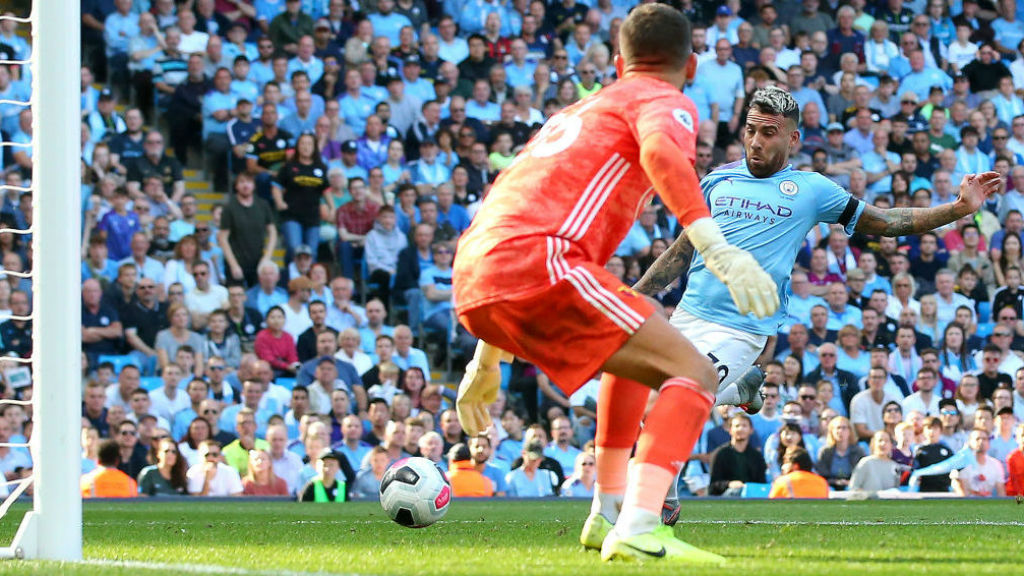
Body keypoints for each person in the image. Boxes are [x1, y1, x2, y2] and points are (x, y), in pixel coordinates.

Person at [457, 10, 779, 563]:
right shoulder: (661, 99)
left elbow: (516, 222)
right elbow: (659, 153)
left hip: (478, 269)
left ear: (616, 63)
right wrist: (717, 248)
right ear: (692, 66)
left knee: (632, 339)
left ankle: (606, 510)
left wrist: (484, 362)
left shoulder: (580, 112)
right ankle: (639, 521)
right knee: (694, 372)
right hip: (542, 262)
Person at [708, 413, 767, 496]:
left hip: (751, 497)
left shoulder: (757, 456)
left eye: (744, 426)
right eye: (737, 426)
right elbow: (713, 486)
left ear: (751, 430)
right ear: (730, 430)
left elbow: (761, 484)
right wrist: (729, 484)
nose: (740, 429)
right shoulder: (720, 454)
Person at [952, 428, 1006, 497]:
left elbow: (1001, 492)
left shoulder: (996, 464)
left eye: (984, 439)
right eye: (977, 439)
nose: (981, 442)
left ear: (989, 443)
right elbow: (960, 490)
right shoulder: (961, 463)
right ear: (969, 442)